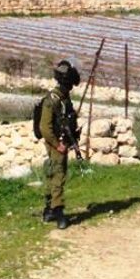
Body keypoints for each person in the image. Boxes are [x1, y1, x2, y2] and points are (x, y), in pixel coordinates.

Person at [39, 58, 81, 229]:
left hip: (63, 140)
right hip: (56, 142)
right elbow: (45, 127)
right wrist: (57, 144)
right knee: (58, 175)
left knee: (52, 173)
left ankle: (48, 209)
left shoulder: (64, 98)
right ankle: (58, 212)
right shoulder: (53, 99)